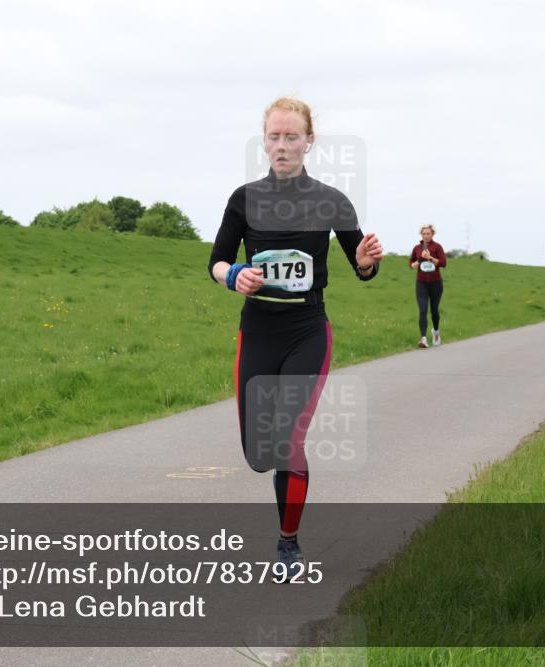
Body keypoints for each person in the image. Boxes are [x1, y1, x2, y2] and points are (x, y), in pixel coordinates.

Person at [208, 97, 383, 579]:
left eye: (291, 136)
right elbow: (216, 261)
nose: (282, 145)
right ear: (263, 141)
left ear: (310, 141)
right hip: (258, 331)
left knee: (288, 439)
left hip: (308, 331)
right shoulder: (244, 199)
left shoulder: (331, 201)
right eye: (274, 136)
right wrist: (234, 275)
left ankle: (288, 544)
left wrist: (367, 262)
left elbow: (361, 266)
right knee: (259, 452)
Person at [409, 225, 447, 347]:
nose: (426, 236)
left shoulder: (437, 247)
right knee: (423, 310)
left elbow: (443, 263)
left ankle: (435, 332)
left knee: (434, 311)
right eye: (424, 233)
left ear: (432, 234)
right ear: (421, 234)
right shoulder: (417, 248)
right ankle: (423, 338)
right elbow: (411, 263)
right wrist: (415, 263)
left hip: (436, 283)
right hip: (421, 283)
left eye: (428, 233)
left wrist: (430, 258)